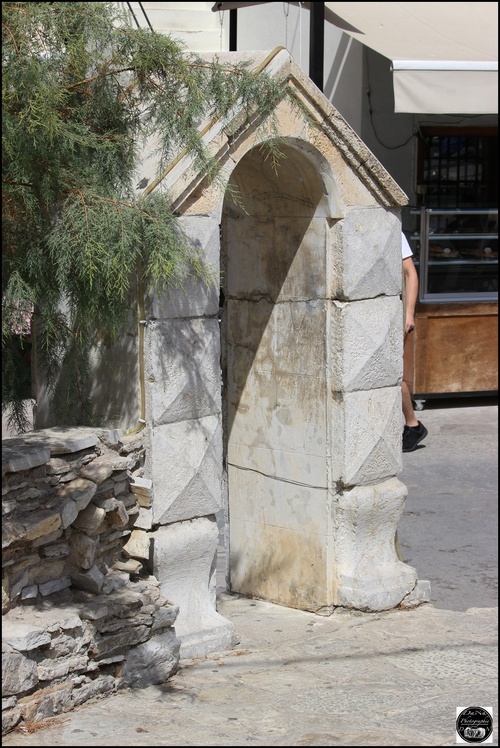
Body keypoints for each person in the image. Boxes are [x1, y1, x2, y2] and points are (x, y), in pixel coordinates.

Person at [401, 233, 428, 452]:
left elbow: (411, 274)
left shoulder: (393, 232)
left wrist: (409, 313)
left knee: (393, 374)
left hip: (394, 313)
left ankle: (412, 424)